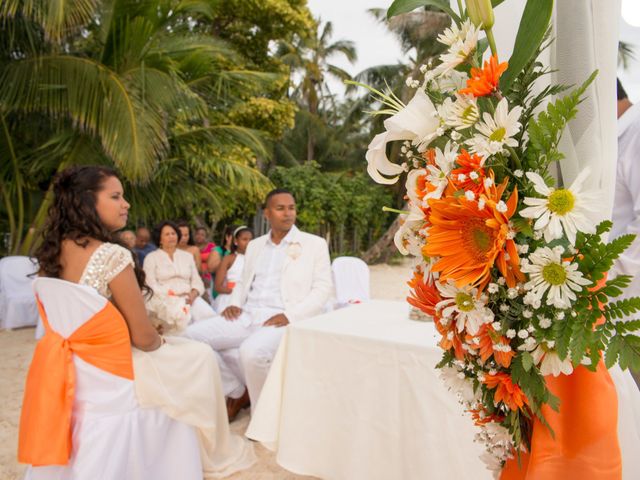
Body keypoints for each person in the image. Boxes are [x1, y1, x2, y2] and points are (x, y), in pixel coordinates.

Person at [23, 165, 254, 477]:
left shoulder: (51, 253)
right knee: (199, 356)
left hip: (75, 365)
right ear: (87, 202)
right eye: (116, 196)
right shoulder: (111, 255)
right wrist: (160, 335)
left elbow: (88, 317)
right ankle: (209, 448)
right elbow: (144, 340)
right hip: (113, 371)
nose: (126, 204)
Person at [185, 189, 333, 420]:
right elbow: (244, 280)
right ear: (267, 213)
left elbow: (324, 289)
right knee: (190, 337)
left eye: (291, 208)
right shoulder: (255, 245)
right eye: (280, 208)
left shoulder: (314, 244)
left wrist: (291, 315)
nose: (287, 213)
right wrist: (234, 303)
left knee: (251, 352)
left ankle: (264, 416)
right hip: (246, 314)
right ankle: (235, 387)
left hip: (280, 317)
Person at [612, 79, 640, 386]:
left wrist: (605, 274)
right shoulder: (622, 134)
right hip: (620, 304)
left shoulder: (637, 132)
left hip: (629, 299)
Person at [143, 221, 217, 323]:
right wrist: (175, 295)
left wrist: (193, 294)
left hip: (190, 299)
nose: (171, 237)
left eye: (173, 234)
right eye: (167, 234)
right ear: (159, 238)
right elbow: (150, 284)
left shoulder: (187, 256)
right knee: (180, 326)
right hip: (164, 301)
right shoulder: (151, 258)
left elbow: (197, 281)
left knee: (210, 319)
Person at [213, 226, 253, 313]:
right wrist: (235, 292)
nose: (248, 242)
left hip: (249, 300)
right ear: (235, 241)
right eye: (244, 239)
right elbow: (218, 287)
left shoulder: (256, 259)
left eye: (250, 239)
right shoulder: (229, 258)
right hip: (228, 298)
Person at [208, 226, 235, 299]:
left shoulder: (242, 253)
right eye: (234, 238)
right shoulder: (218, 250)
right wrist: (227, 259)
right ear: (227, 237)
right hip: (221, 291)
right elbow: (211, 268)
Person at [194, 227, 216, 296]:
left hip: (209, 274)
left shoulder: (211, 246)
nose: (199, 236)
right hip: (195, 273)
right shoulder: (191, 247)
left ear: (206, 237)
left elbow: (215, 261)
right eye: (198, 234)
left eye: (202, 235)